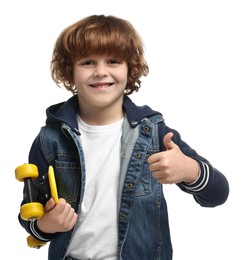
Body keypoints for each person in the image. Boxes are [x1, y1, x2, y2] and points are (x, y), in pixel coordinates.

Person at [18, 15, 229, 260]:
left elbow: (218, 194)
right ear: (70, 72)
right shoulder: (50, 139)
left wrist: (190, 170)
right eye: (87, 62)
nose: (100, 72)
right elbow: (29, 217)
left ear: (130, 68)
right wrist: (47, 225)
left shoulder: (154, 133)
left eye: (113, 61)